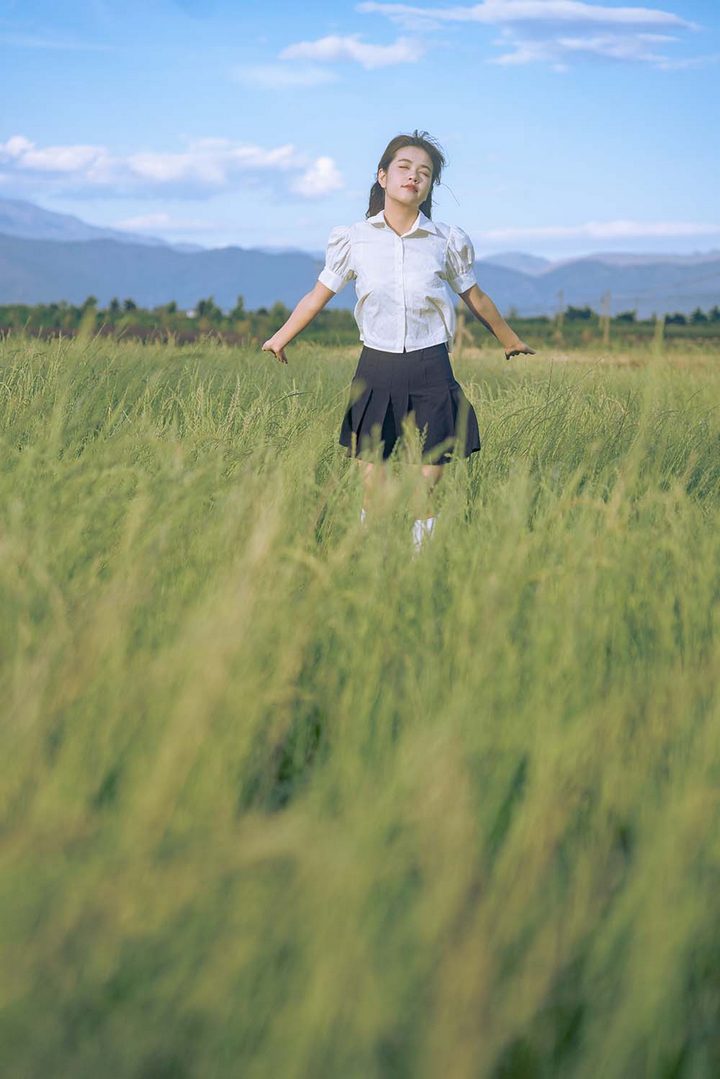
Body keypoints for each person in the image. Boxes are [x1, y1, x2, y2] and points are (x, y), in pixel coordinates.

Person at [262, 129, 535, 552]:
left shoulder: (445, 241)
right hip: (376, 369)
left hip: (431, 369)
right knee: (374, 488)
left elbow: (475, 296)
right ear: (383, 176)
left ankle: (420, 565)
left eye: (424, 172)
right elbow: (318, 295)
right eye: (404, 167)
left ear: (429, 186)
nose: (414, 177)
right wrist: (280, 337)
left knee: (427, 485)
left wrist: (509, 339)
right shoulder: (354, 239)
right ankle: (372, 561)